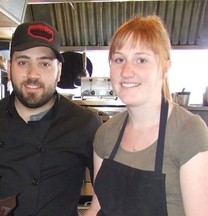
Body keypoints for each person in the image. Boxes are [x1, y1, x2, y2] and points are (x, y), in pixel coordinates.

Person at [0, 21, 102, 216]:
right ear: (9, 68)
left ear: (59, 71)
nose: (33, 74)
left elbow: (104, 200)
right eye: (23, 62)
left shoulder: (85, 124)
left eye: (44, 64)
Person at [84, 15, 208, 216]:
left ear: (165, 67)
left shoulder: (188, 131)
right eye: (119, 59)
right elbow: (97, 207)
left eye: (141, 60)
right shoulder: (106, 133)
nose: (126, 71)